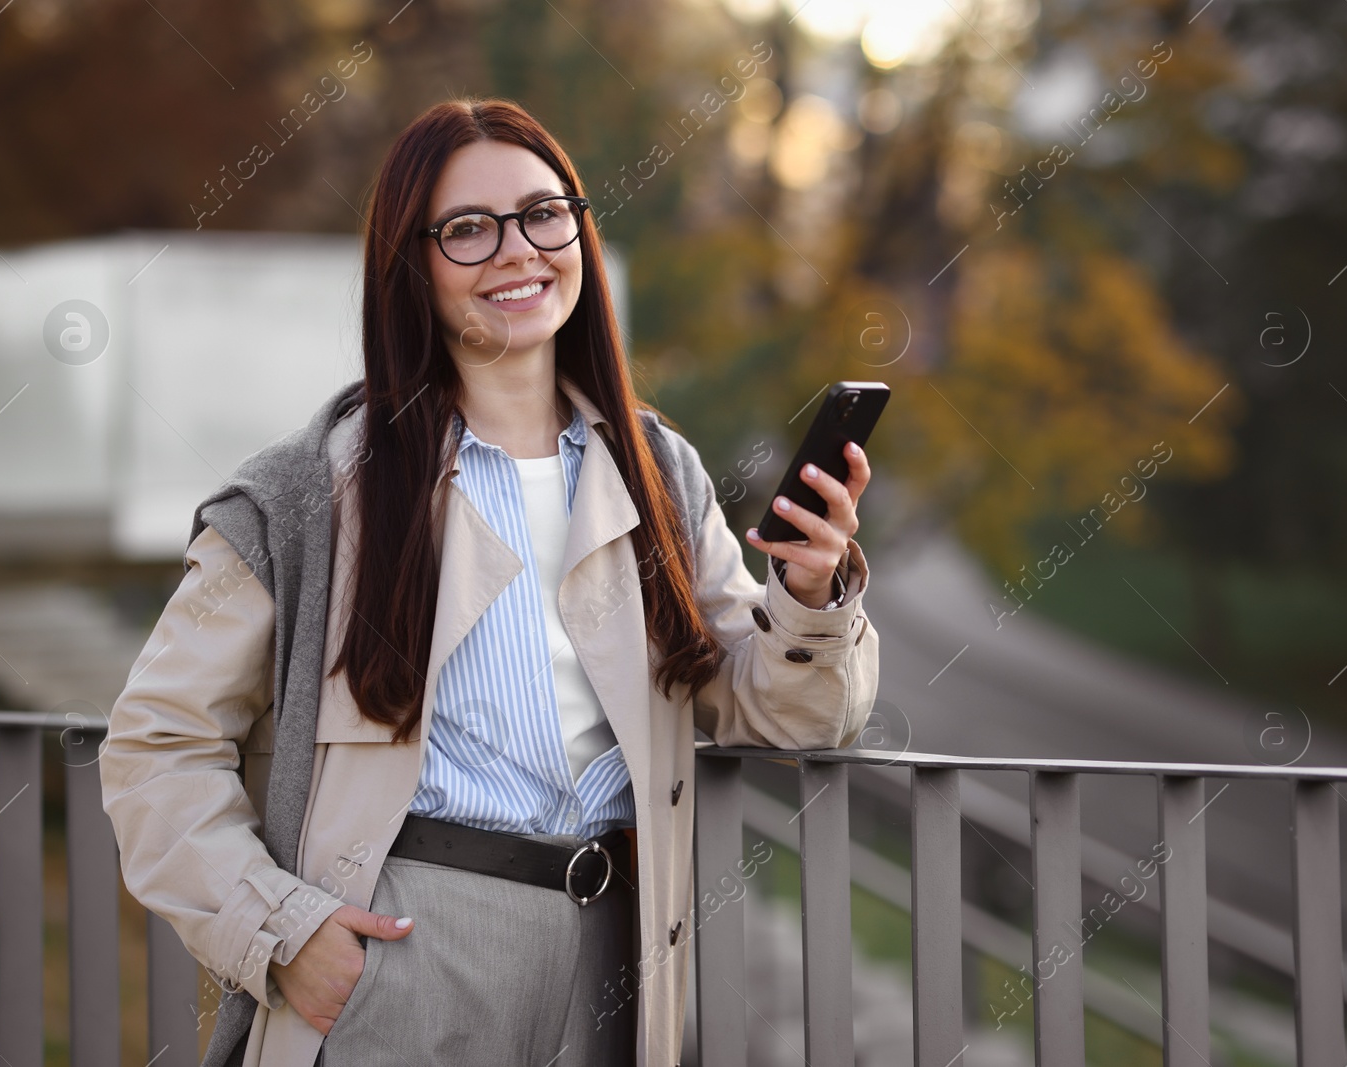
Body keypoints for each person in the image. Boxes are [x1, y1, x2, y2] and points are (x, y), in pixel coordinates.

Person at [98, 97, 880, 1067]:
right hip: (405, 953)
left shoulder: (658, 473)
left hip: (615, 960)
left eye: (544, 213)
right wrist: (281, 929)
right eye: (467, 229)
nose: (518, 250)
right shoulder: (307, 494)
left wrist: (808, 597)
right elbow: (154, 742)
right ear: (410, 266)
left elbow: (786, 715)